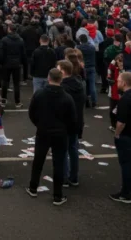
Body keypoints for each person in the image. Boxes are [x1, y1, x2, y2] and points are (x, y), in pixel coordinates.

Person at [27, 67, 76, 205]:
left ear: (49, 78)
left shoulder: (40, 94)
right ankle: (57, 195)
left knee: (38, 160)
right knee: (59, 163)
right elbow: (72, 119)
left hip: (43, 131)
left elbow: (32, 112)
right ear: (61, 79)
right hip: (60, 134)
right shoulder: (67, 97)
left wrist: (39, 124)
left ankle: (33, 187)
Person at [111, 71, 131, 204]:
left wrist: (117, 133)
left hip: (126, 134)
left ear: (124, 83)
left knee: (125, 163)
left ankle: (125, 194)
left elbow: (121, 122)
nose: (117, 82)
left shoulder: (125, 99)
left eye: (119, 80)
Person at [58, 59, 85, 188]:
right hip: (77, 122)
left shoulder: (63, 88)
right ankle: (74, 177)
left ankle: (64, 178)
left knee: (63, 151)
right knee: (73, 149)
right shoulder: (79, 84)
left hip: (65, 123)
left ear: (63, 71)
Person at [0, 25, 27, 108]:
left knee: (5, 82)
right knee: (16, 84)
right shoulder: (20, 40)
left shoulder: (4, 40)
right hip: (17, 64)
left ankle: (3, 100)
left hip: (6, 64)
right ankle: (17, 101)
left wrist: (1, 62)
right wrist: (22, 63)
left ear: (9, 29)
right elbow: (23, 53)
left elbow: (1, 53)